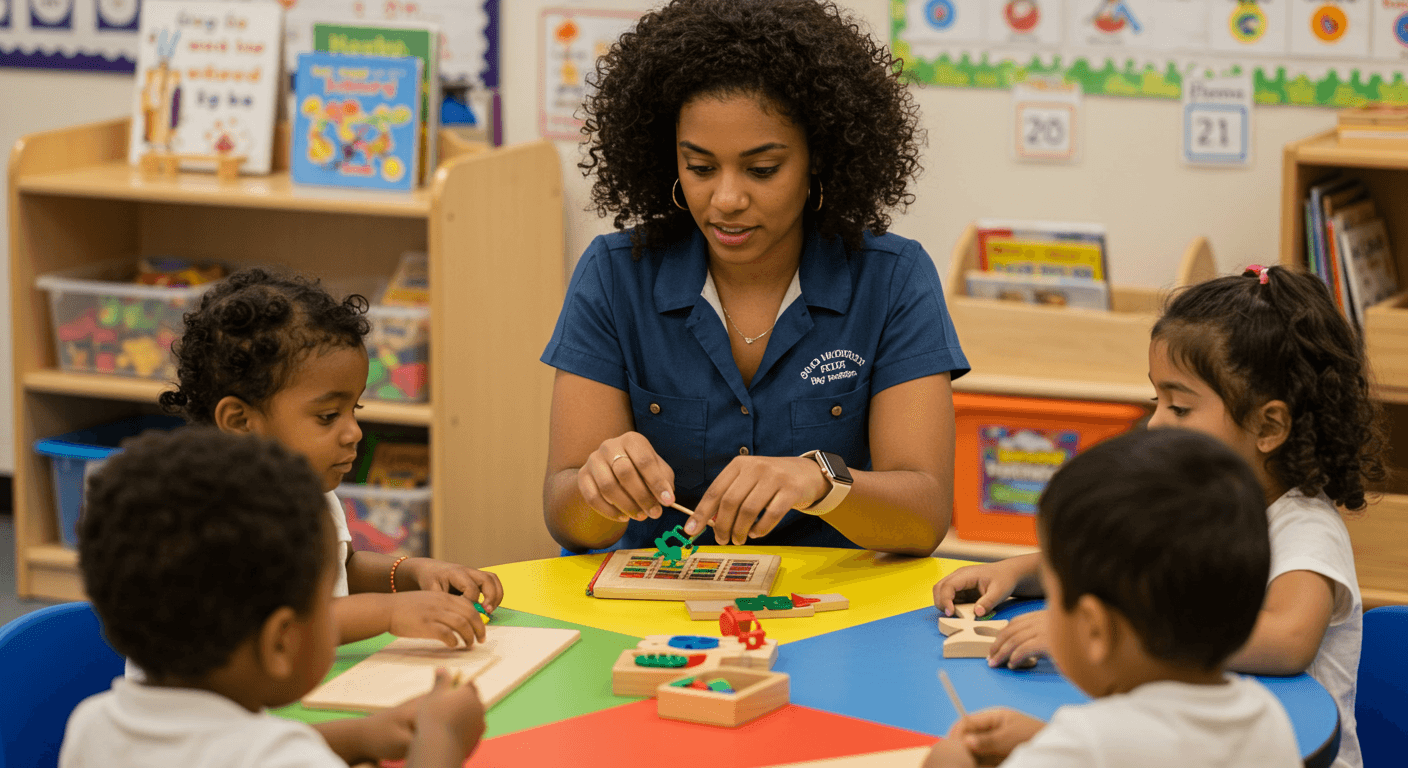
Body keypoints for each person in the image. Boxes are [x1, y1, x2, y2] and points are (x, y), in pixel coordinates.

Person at [542, 0, 968, 557]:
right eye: (699, 167)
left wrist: (821, 482)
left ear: (819, 157)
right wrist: (599, 489)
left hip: (834, 613)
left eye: (762, 170)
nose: (726, 199)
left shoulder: (892, 280)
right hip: (655, 606)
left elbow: (923, 517)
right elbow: (567, 520)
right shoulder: (614, 275)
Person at [933, 265, 1382, 768]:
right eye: (1157, 400)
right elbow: (1127, 562)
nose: (1155, 423)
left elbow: (1289, 639)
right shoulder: (1199, 510)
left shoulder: (1305, 524)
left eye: (1180, 408)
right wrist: (1022, 570)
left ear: (1268, 424)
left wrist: (1128, 632)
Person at [62, 429, 486, 768]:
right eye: (327, 600)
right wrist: (441, 739)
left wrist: (360, 735)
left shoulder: (90, 726)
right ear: (280, 642)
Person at [925, 428, 1300, 768]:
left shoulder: (1087, 745)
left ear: (1095, 629)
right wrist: (1045, 740)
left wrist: (949, 762)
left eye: (1054, 600)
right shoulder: (1268, 717)